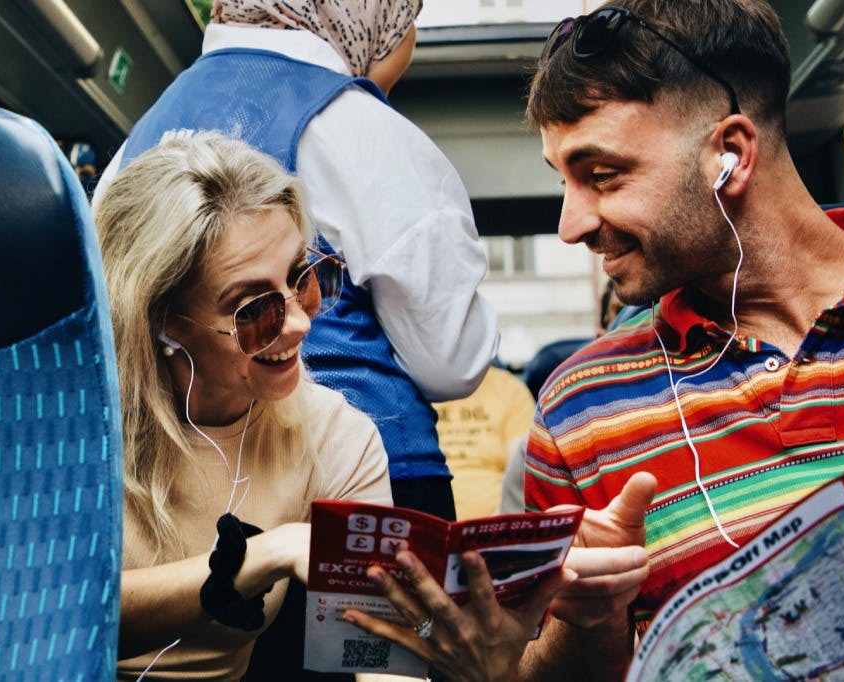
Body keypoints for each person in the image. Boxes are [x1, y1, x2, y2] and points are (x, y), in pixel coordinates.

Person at [521, 0, 844, 678]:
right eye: (563, 180)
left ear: (730, 155)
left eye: (602, 175)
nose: (570, 226)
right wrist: (589, 618)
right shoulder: (578, 407)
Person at [93, 0, 498, 522]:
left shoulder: (136, 145)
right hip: (376, 472)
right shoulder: (361, 126)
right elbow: (452, 362)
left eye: (307, 280)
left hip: (177, 478)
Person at [95, 131, 392, 679]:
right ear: (163, 322)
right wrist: (265, 555)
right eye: (254, 309)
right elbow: (49, 612)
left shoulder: (336, 436)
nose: (300, 323)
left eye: (302, 279)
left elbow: (377, 652)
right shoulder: (79, 430)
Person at [433, 365, 535, 519]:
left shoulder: (510, 389)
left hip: (499, 524)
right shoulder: (408, 387)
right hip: (423, 524)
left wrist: (498, 522)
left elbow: (521, 477)